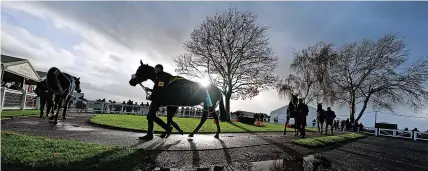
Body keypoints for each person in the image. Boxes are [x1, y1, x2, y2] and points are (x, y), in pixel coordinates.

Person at [138, 64, 172, 140]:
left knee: (151, 116)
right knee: (149, 117)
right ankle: (150, 135)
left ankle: (167, 128)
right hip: (156, 98)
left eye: (155, 68)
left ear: (159, 68)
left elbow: (160, 89)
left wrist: (151, 94)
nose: (154, 70)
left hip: (158, 99)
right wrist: (149, 91)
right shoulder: (160, 76)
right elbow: (158, 89)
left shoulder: (162, 76)